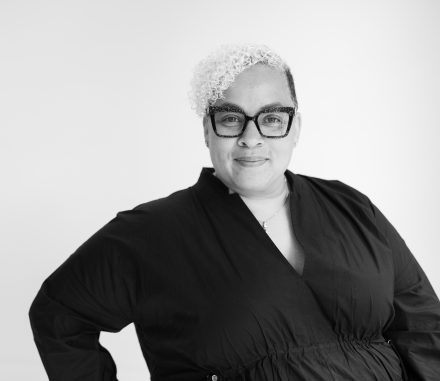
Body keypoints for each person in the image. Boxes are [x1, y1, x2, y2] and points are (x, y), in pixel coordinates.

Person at [29, 44, 440, 381]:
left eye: (271, 118)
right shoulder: (153, 233)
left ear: (295, 128)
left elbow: (423, 325)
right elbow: (60, 314)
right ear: (207, 129)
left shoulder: (351, 208)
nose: (251, 138)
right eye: (231, 119)